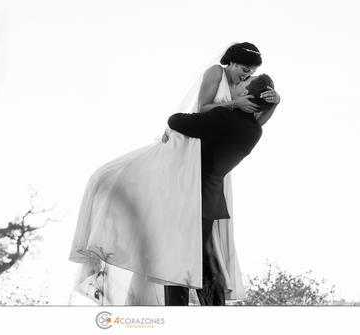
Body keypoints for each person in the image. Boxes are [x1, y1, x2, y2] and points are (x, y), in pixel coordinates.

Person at [68, 42, 280, 306]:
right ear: (233, 63)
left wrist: (240, 105)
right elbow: (204, 107)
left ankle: (183, 312)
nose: (246, 76)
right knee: (199, 257)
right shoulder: (236, 104)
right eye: (245, 70)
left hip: (194, 179)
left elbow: (179, 119)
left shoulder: (231, 117)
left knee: (181, 257)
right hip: (207, 182)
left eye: (251, 75)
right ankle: (209, 308)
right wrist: (250, 104)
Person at [164, 73, 276, 306]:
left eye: (244, 83)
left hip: (191, 197)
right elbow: (258, 118)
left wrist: (231, 103)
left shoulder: (223, 116)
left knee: (178, 261)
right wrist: (274, 104)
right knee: (206, 261)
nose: (238, 83)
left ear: (246, 94)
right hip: (211, 198)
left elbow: (175, 120)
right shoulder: (254, 131)